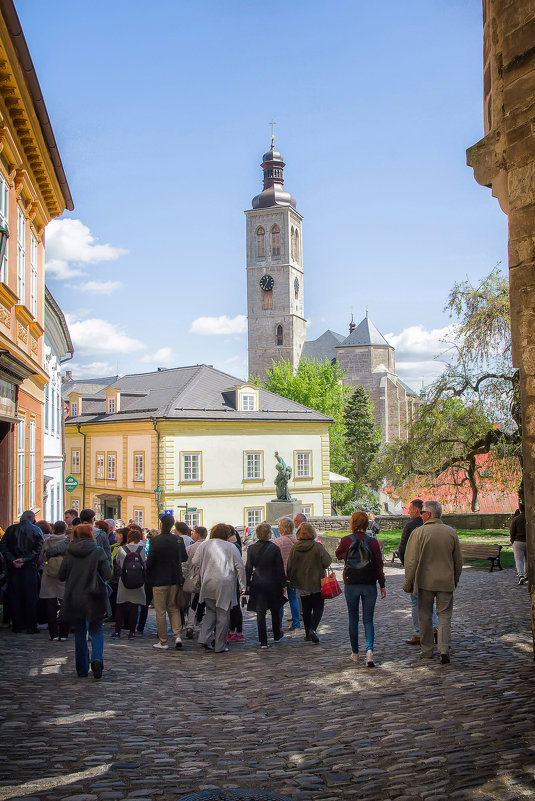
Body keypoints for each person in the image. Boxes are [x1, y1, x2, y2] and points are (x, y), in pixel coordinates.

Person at [403, 500, 463, 664]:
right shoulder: (451, 532)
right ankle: (443, 649)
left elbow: (411, 561)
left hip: (425, 581)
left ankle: (427, 650)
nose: (421, 516)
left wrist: (408, 582)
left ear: (428, 514)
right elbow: (458, 560)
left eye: (422, 513)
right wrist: (455, 578)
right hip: (445, 580)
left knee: (425, 616)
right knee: (444, 616)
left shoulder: (418, 533)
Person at [58, 523, 112, 679]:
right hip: (94, 594)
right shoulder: (98, 551)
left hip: (75, 596)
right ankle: (97, 659)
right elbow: (107, 574)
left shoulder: (70, 551)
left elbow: (61, 575)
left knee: (80, 631)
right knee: (96, 630)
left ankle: (82, 669)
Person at [335, 510, 386, 667]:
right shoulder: (372, 542)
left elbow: (337, 554)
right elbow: (378, 564)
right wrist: (382, 584)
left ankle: (355, 653)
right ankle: (369, 651)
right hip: (369, 584)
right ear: (366, 524)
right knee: (368, 619)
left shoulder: (346, 540)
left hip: (352, 584)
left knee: (353, 618)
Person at [191, 523, 246, 653]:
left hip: (208, 582)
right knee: (223, 614)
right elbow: (240, 566)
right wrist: (243, 585)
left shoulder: (204, 545)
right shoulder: (231, 547)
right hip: (225, 583)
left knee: (210, 611)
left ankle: (204, 638)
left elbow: (195, 561)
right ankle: (220, 645)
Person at [398, 498, 438, 646]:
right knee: (429, 600)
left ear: (416, 510)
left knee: (416, 601)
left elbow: (402, 550)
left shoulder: (410, 527)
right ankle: (434, 626)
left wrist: (406, 566)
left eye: (409, 509)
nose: (408, 511)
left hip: (415, 569)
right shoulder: (434, 526)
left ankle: (418, 633)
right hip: (432, 568)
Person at [286, 522, 331, 644]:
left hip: (301, 582)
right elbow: (327, 562)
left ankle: (307, 633)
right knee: (318, 607)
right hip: (316, 582)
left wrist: (290, 578)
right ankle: (313, 629)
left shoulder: (295, 548)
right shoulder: (317, 547)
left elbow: (290, 565)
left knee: (306, 608)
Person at [0, 510, 43, 633]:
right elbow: (38, 549)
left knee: (15, 597)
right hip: (29, 567)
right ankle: (30, 626)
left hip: (14, 568)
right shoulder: (36, 530)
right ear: (33, 519)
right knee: (31, 597)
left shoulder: (11, 529)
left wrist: (13, 559)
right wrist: (25, 560)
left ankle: (17, 625)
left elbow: (3, 546)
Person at [245, 522, 287, 649]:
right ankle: (276, 634)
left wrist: (247, 584)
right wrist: (283, 584)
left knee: (260, 612)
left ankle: (263, 640)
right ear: (269, 534)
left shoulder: (251, 549)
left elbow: (248, 568)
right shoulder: (274, 548)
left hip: (258, 581)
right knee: (275, 609)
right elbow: (280, 568)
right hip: (273, 581)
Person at [146, 515, 184, 651]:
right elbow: (184, 557)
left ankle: (163, 641)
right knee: (174, 608)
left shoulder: (155, 541)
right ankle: (178, 636)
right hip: (174, 578)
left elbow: (149, 561)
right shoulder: (178, 540)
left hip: (159, 579)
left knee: (161, 611)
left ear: (161, 524)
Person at [112, 528, 147, 640]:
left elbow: (117, 562)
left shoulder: (122, 549)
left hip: (124, 579)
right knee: (134, 606)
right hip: (138, 580)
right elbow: (144, 562)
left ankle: (117, 631)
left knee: (120, 605)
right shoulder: (141, 549)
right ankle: (132, 631)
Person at [39, 520, 70, 640]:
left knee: (50, 605)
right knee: (65, 606)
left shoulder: (47, 540)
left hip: (49, 574)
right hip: (63, 574)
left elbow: (42, 556)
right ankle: (64, 633)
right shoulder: (67, 541)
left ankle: (53, 634)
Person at [274, 516, 300, 629]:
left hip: (281, 575)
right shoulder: (296, 541)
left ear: (282, 529)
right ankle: (296, 622)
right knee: (293, 598)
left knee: (279, 600)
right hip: (293, 574)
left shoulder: (278, 542)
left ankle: (278, 624)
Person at [183, 525, 208, 638]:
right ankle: (205, 627)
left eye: (193, 533)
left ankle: (191, 625)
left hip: (194, 578)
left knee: (193, 603)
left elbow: (185, 564)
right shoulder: (209, 546)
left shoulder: (191, 548)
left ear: (197, 534)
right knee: (208, 604)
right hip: (208, 578)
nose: (192, 534)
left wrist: (185, 577)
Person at [228, 526, 245, 642]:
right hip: (233, 579)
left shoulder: (233, 546)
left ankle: (235, 631)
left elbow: (238, 565)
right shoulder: (235, 544)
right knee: (235, 606)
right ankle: (236, 630)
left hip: (232, 579)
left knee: (234, 607)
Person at [510, 503, 527, 585]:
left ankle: (521, 575)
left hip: (518, 541)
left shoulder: (516, 519)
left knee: (519, 560)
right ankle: (527, 575)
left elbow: (512, 532)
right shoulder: (529, 518)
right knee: (527, 560)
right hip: (528, 541)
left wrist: (512, 541)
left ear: (520, 509)